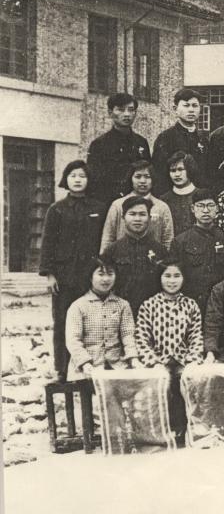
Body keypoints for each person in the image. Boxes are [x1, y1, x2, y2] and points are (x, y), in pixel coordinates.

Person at [41, 160, 107, 379]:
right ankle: (61, 369)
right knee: (62, 322)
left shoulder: (99, 208)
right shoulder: (56, 209)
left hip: (90, 275)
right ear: (66, 179)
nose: (77, 180)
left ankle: (88, 370)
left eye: (82, 176)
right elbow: (48, 242)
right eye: (73, 175)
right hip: (64, 276)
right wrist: (50, 274)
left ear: (89, 180)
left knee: (91, 321)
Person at [136, 260, 204, 438]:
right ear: (159, 278)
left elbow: (196, 335)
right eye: (167, 276)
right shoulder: (149, 305)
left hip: (183, 360)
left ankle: (192, 429)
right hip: (159, 361)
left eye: (176, 276)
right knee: (162, 382)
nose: (172, 281)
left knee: (190, 379)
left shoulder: (190, 305)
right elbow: (142, 338)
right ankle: (162, 432)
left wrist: (193, 360)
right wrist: (153, 362)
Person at [65, 259, 139, 379]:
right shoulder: (78, 306)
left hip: (117, 366)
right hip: (86, 368)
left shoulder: (123, 305)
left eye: (110, 274)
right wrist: (85, 363)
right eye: (100, 274)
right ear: (90, 277)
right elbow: (73, 340)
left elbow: (128, 335)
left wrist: (133, 358)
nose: (106, 279)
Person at [168, 189, 224, 314]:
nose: (206, 210)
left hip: (221, 305)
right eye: (200, 206)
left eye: (210, 205)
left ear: (217, 208)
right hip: (191, 304)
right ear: (193, 209)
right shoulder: (180, 241)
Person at [100, 196, 167, 315]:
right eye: (132, 214)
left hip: (153, 312)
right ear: (123, 217)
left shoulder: (160, 250)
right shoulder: (112, 250)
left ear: (149, 218)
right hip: (120, 312)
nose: (137, 219)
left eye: (142, 214)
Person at [86, 92, 151, 205]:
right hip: (108, 203)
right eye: (121, 110)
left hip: (137, 203)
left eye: (131, 110)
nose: (127, 114)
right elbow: (94, 182)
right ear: (110, 113)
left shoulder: (141, 142)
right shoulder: (99, 145)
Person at [100, 160, 174, 252]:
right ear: (131, 179)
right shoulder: (117, 205)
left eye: (147, 177)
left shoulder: (162, 207)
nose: (142, 181)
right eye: (138, 177)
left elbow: (168, 240)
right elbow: (108, 238)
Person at [152, 88, 212, 194]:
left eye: (195, 106)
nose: (191, 110)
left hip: (200, 195)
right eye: (186, 105)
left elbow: (207, 172)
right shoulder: (166, 138)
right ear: (175, 109)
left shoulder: (203, 139)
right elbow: (159, 174)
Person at [163, 151, 199, 235]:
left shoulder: (201, 195)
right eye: (173, 170)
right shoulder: (164, 199)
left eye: (180, 169)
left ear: (189, 170)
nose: (177, 174)